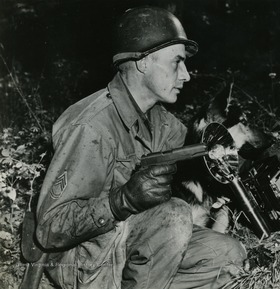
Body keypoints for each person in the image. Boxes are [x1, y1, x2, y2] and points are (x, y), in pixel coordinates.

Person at [36, 6, 247, 289]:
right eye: (177, 62)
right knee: (174, 214)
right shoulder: (91, 127)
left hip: (132, 241)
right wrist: (122, 200)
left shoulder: (159, 121)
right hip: (84, 260)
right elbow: (50, 230)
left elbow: (196, 157)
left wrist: (223, 160)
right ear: (144, 62)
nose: (186, 75)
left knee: (227, 257)